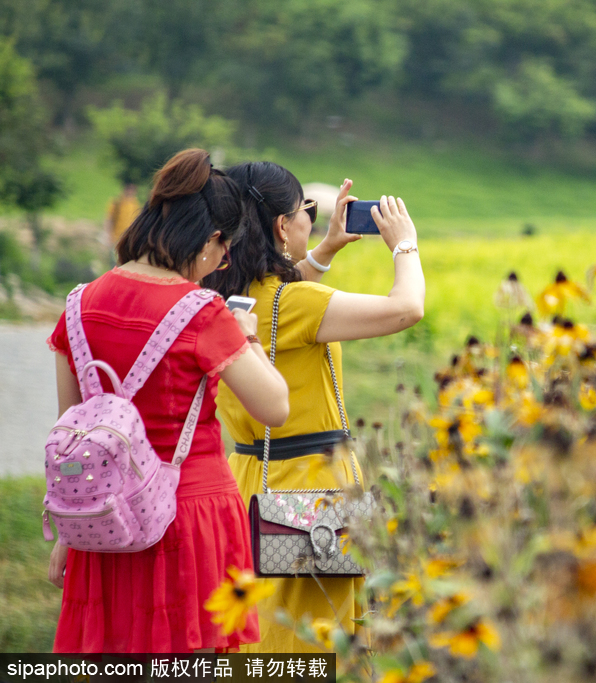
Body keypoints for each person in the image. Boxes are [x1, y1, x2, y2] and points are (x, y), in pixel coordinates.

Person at [46, 149, 291, 653]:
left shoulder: (78, 304)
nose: (222, 263)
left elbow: (74, 433)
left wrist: (70, 534)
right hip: (189, 519)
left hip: (104, 517)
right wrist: (245, 336)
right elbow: (274, 407)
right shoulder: (203, 313)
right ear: (212, 240)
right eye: (224, 252)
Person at [203, 161, 425, 652]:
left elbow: (280, 302)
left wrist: (324, 248)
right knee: (313, 637)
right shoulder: (296, 303)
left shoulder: (221, 296)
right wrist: (404, 245)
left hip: (248, 481)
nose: (311, 217)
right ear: (282, 225)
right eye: (306, 209)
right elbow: (406, 307)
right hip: (310, 493)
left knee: (261, 631)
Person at [105, 183, 140, 249]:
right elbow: (109, 219)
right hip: (115, 237)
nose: (131, 192)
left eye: (132, 190)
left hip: (128, 237)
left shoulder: (135, 204)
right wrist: (108, 234)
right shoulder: (117, 202)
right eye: (129, 189)